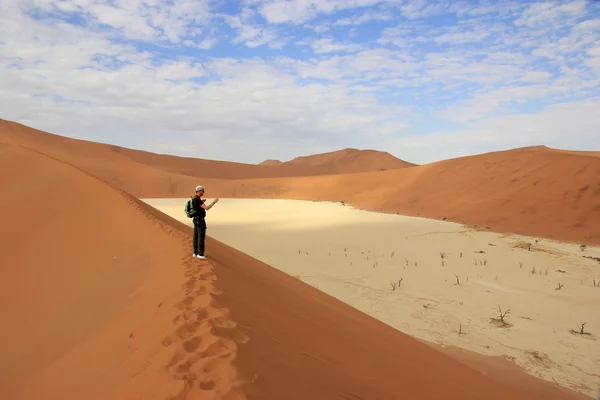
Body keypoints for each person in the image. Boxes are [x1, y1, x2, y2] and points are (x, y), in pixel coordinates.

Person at [191, 185, 219, 259]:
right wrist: (214, 202)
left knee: (196, 236)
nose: (204, 192)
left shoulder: (194, 198)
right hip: (200, 220)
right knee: (201, 237)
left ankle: (195, 252)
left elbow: (197, 207)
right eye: (203, 190)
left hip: (195, 219)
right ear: (199, 191)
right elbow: (207, 208)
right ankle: (200, 254)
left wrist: (202, 202)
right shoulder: (197, 199)